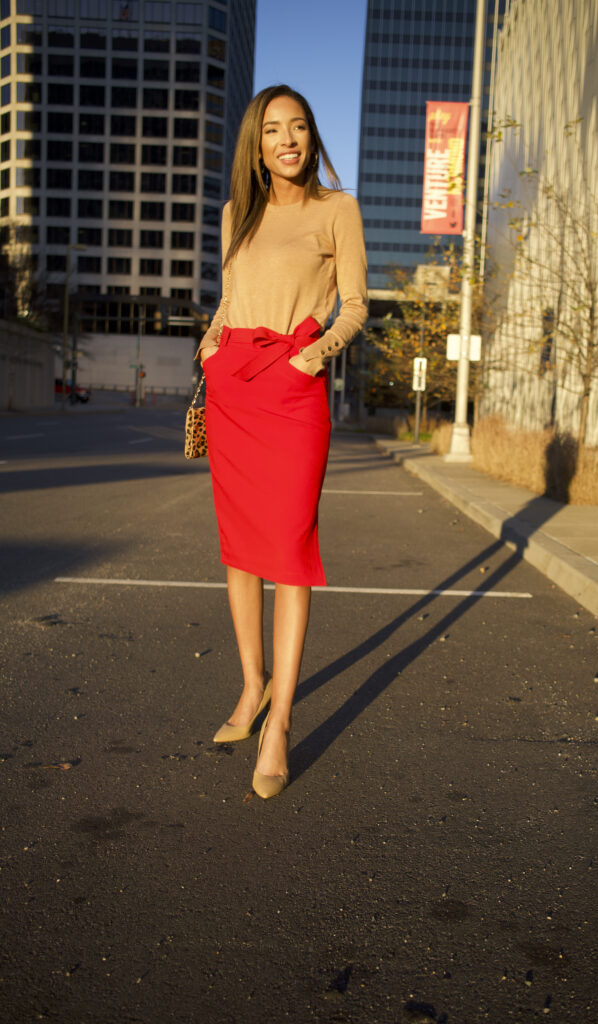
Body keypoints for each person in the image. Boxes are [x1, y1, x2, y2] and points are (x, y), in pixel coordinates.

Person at [197, 85, 368, 800]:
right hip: (233, 384)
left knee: (290, 554)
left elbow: (355, 305)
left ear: (311, 137)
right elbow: (229, 299)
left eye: (298, 127)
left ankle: (280, 725)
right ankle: (251, 687)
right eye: (273, 129)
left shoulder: (337, 209)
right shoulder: (236, 212)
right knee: (240, 551)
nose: (287, 139)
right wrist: (209, 350)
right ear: (257, 143)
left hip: (294, 390)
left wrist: (311, 357)